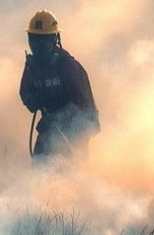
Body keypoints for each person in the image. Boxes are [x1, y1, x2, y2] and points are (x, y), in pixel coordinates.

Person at [20, 10, 100, 160]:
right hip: (51, 125)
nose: (37, 45)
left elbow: (81, 105)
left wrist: (56, 119)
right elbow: (24, 91)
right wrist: (30, 99)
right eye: (34, 39)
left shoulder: (67, 66)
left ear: (54, 40)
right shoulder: (32, 66)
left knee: (70, 163)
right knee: (39, 160)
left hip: (79, 123)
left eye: (43, 40)